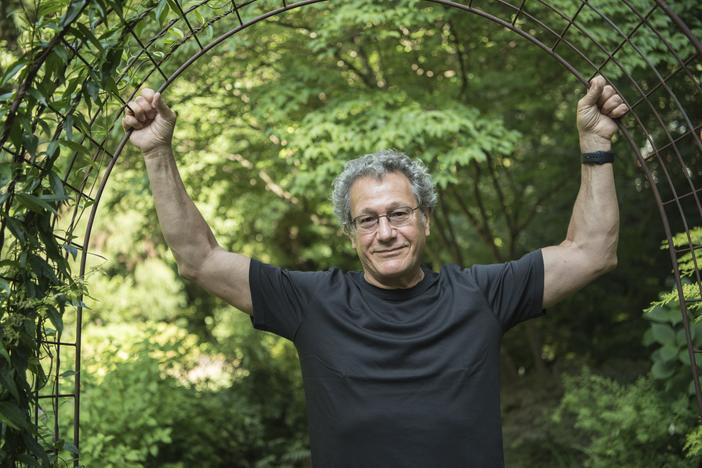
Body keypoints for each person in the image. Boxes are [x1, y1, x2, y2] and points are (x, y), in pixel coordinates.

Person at [122, 75, 628, 467]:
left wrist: (596, 144)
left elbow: (591, 251)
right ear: (352, 233)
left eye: (399, 214)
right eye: (368, 220)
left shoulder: (482, 293)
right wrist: (157, 152)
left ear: (424, 220)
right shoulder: (312, 302)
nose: (385, 232)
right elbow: (200, 259)